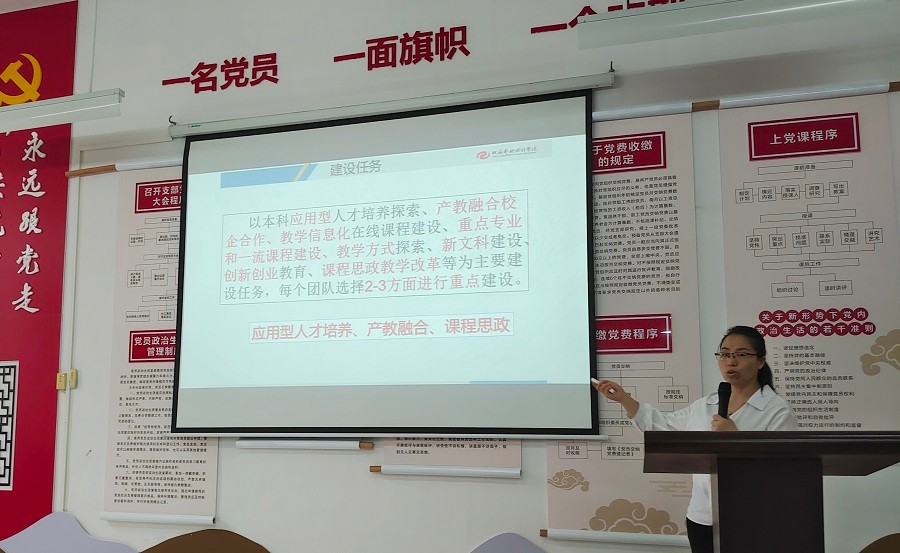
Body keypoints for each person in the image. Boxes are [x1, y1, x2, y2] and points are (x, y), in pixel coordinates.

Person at [592, 325, 798, 553]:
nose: (731, 362)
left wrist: (735, 439)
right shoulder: (706, 404)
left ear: (760, 361)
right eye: (725, 354)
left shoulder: (777, 410)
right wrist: (624, 399)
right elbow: (664, 426)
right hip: (702, 516)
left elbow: (782, 472)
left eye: (741, 354)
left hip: (753, 517)